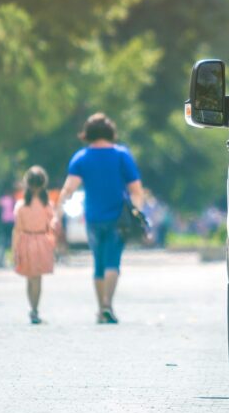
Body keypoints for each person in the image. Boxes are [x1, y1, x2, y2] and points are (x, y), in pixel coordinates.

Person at [54, 113, 143, 324]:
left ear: (88, 133)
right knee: (113, 261)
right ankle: (107, 305)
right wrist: (137, 212)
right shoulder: (122, 155)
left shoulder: (81, 158)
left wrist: (57, 215)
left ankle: (100, 308)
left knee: (99, 263)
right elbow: (136, 190)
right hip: (118, 218)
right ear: (110, 131)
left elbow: (68, 189)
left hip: (93, 217)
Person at [12, 166, 57, 325]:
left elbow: (17, 229)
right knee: (37, 278)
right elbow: (52, 226)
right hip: (41, 241)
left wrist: (14, 250)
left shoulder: (21, 205)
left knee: (30, 278)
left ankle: (33, 308)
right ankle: (35, 309)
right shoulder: (47, 204)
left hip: (26, 240)